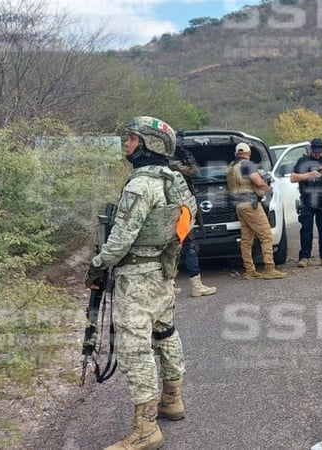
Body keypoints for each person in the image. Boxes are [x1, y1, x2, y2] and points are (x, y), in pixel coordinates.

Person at [85, 116, 195, 450]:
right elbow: (187, 222)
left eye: (132, 139)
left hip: (135, 279)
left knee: (135, 349)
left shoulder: (140, 185)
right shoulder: (174, 180)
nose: (127, 144)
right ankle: (172, 399)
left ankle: (145, 429)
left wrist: (98, 265)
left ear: (150, 144)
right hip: (162, 272)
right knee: (165, 333)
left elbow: (120, 240)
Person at [227, 142, 287, 279]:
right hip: (251, 205)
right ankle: (269, 268)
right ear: (248, 154)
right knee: (266, 235)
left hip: (239, 206)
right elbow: (258, 182)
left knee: (246, 240)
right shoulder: (248, 165)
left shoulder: (231, 168)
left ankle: (250, 271)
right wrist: (269, 188)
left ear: (236, 154)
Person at [168, 145, 216, 297]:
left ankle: (169, 284)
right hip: (180, 211)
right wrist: (188, 157)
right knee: (190, 247)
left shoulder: (160, 165)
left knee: (172, 249)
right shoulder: (173, 165)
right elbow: (195, 172)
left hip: (169, 212)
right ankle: (196, 285)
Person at [289, 138, 322, 268]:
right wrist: (308, 175)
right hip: (307, 200)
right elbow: (293, 178)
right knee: (306, 230)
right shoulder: (303, 161)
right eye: (315, 152)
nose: (317, 154)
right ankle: (304, 257)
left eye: (319, 152)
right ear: (311, 149)